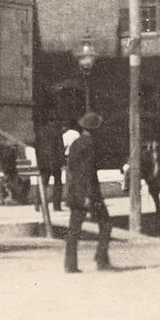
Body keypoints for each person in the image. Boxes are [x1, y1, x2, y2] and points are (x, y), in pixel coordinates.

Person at [63, 110, 114, 273]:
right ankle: (101, 258)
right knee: (106, 224)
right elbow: (88, 172)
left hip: (74, 192)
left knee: (73, 229)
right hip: (89, 194)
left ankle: (70, 265)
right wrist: (88, 196)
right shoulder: (90, 144)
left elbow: (71, 169)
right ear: (94, 129)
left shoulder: (76, 143)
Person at [36, 116, 66, 212]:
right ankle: (56, 206)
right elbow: (60, 148)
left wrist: (39, 161)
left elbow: (37, 148)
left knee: (43, 183)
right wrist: (63, 163)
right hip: (55, 162)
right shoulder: (57, 132)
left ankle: (38, 203)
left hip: (43, 162)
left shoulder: (40, 131)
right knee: (58, 183)